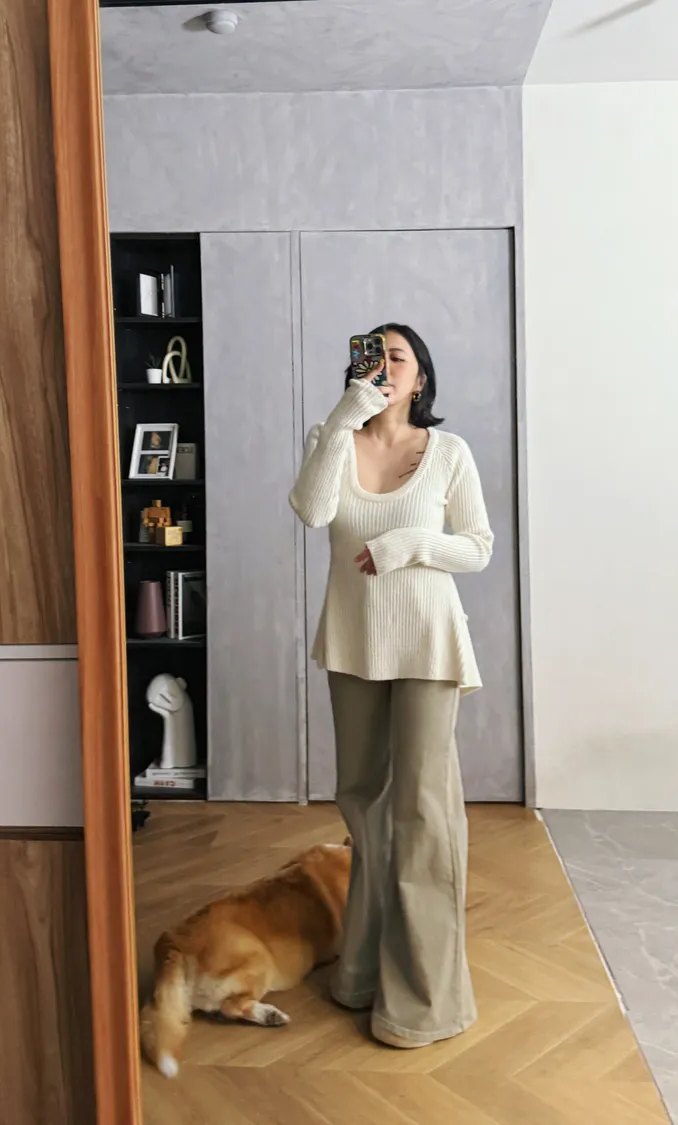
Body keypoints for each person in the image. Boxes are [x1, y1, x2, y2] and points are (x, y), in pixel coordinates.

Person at [289, 323, 493, 1049]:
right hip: (354, 645)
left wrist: (410, 545)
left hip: (428, 645)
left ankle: (424, 1002)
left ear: (420, 378)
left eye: (396, 356)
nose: (382, 365)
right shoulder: (332, 438)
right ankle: (362, 973)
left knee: (423, 814)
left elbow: (478, 547)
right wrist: (344, 417)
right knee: (365, 808)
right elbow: (312, 511)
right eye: (371, 354)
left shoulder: (448, 452)